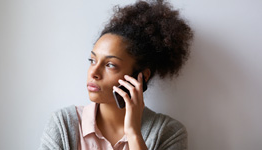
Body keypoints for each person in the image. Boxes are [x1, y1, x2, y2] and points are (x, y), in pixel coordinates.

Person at [38, 0, 193, 149]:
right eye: (92, 60)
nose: (94, 73)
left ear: (142, 76)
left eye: (110, 65)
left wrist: (133, 133)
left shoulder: (169, 132)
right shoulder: (63, 124)